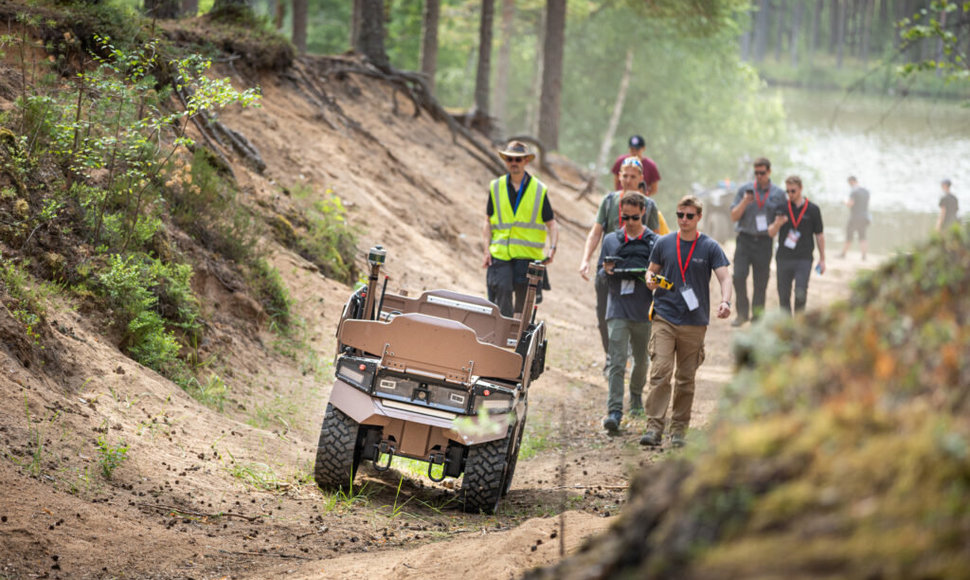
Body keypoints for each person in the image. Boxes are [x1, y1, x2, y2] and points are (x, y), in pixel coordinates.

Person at [640, 195, 732, 449]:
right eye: (680, 215)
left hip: (694, 321)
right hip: (664, 316)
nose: (684, 220)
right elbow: (652, 270)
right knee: (660, 371)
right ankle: (654, 427)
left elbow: (725, 277)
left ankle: (679, 429)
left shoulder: (710, 247)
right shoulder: (664, 243)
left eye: (689, 216)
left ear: (699, 217)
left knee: (685, 378)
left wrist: (726, 302)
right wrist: (650, 278)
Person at [579, 158, 659, 367]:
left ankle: (633, 355)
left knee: (637, 315)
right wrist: (586, 259)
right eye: (624, 176)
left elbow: (657, 241)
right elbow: (596, 232)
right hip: (610, 268)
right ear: (619, 177)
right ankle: (611, 356)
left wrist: (656, 270)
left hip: (639, 271)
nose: (628, 180)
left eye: (633, 176)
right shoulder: (608, 202)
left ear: (641, 178)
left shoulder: (649, 206)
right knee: (604, 312)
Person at [599, 192, 659, 434]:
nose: (630, 222)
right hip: (617, 309)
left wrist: (652, 279)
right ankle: (614, 411)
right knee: (616, 360)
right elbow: (600, 276)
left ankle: (636, 395)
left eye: (635, 217)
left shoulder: (656, 242)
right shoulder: (610, 240)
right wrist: (607, 271)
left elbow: (663, 277)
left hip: (644, 310)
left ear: (643, 212)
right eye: (625, 217)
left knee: (642, 360)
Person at [482, 140, 558, 317]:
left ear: (526, 161)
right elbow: (488, 221)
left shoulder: (539, 190)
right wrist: (486, 250)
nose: (513, 163)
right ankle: (501, 333)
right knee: (501, 292)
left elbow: (552, 224)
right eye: (509, 159)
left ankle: (516, 338)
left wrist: (552, 249)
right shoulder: (496, 187)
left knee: (523, 304)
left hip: (527, 256)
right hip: (500, 253)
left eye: (518, 159)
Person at [729, 157, 786, 327]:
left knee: (760, 282)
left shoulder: (778, 193)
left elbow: (782, 218)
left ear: (769, 172)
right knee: (738, 277)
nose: (759, 176)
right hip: (744, 240)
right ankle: (742, 314)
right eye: (756, 173)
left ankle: (757, 317)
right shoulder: (745, 190)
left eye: (762, 173)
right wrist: (745, 201)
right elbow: (733, 216)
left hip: (764, 242)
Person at [768, 176, 825, 316]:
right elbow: (770, 233)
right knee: (783, 295)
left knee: (800, 293)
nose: (790, 194)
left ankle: (799, 325)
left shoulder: (813, 209)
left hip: (804, 259)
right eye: (787, 191)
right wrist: (778, 224)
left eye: (793, 191)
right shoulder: (781, 208)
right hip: (783, 258)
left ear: (801, 188)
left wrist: (822, 259)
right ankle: (786, 328)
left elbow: (819, 235)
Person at [840, 176, 870, 260]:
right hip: (864, 216)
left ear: (852, 182)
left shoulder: (854, 192)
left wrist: (844, 201)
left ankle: (843, 254)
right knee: (862, 236)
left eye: (849, 184)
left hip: (855, 217)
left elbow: (850, 204)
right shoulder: (866, 191)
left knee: (849, 235)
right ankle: (864, 256)